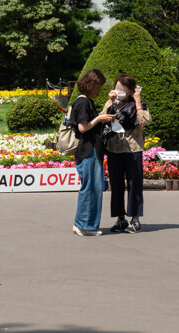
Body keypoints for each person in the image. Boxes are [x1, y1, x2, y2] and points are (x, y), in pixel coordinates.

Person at [103, 73, 152, 233]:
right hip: (114, 148)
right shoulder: (112, 103)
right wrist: (110, 101)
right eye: (117, 88)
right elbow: (102, 118)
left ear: (131, 91)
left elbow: (145, 120)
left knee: (134, 185)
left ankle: (135, 219)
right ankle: (120, 219)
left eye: (123, 90)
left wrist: (137, 100)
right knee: (116, 185)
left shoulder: (138, 104)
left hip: (133, 149)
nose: (119, 92)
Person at [70, 69, 114, 236]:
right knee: (91, 188)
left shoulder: (82, 101)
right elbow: (83, 127)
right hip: (89, 150)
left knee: (89, 187)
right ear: (92, 84)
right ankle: (85, 226)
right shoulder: (84, 102)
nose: (99, 90)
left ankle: (81, 223)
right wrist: (100, 119)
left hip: (87, 151)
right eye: (99, 86)